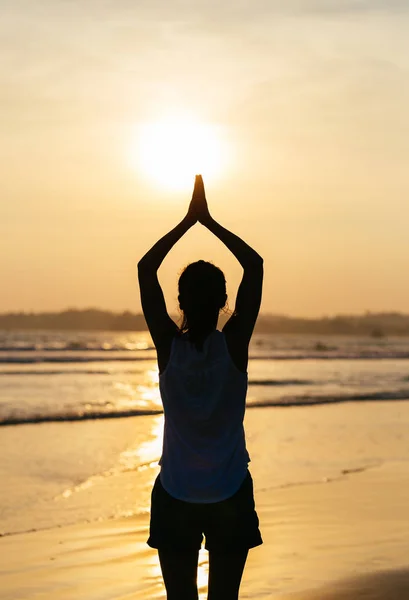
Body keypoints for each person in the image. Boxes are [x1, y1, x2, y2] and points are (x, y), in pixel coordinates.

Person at [137, 175, 264, 600]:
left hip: (175, 492)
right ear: (224, 298)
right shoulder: (234, 344)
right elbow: (256, 265)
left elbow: (144, 268)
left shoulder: (168, 348)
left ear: (181, 301)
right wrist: (208, 222)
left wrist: (187, 222)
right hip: (230, 490)